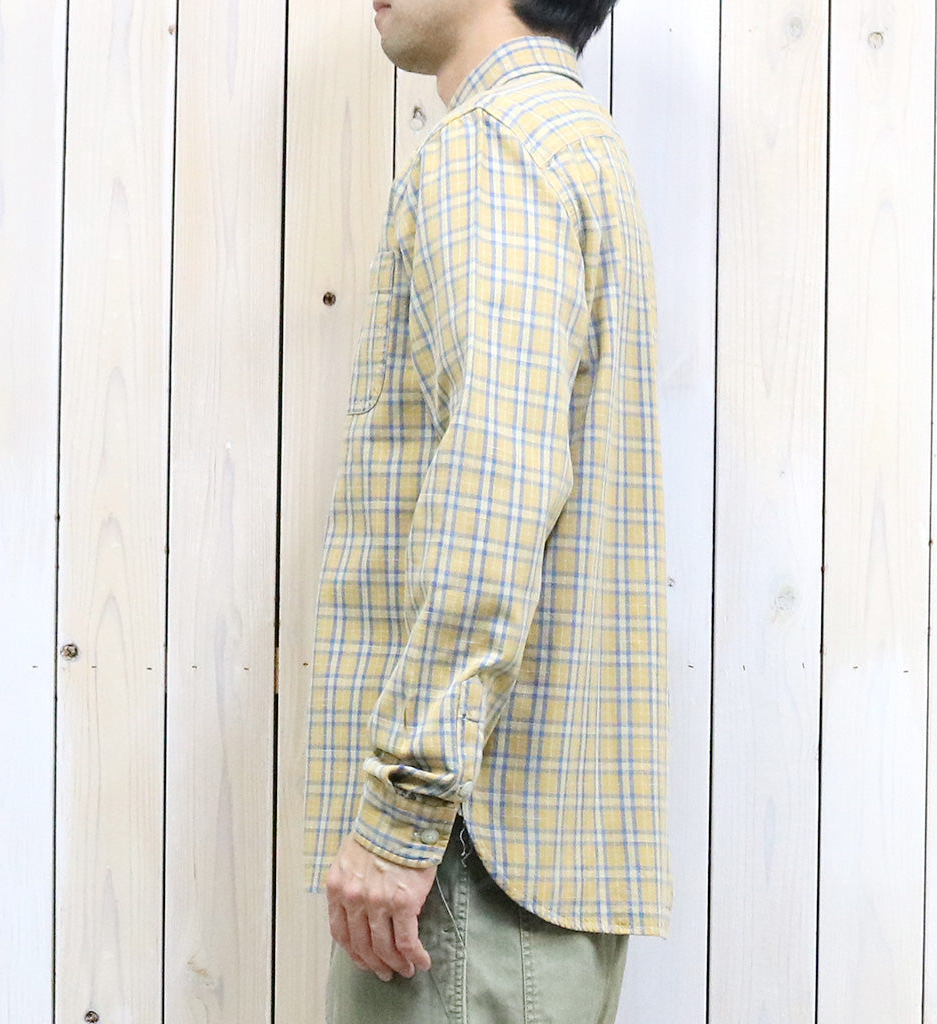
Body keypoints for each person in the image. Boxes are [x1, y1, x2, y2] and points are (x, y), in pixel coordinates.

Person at [305, 1, 671, 1020]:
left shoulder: (497, 148)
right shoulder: (572, 143)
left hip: (468, 861)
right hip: (520, 864)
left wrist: (403, 809)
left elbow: (493, 489)